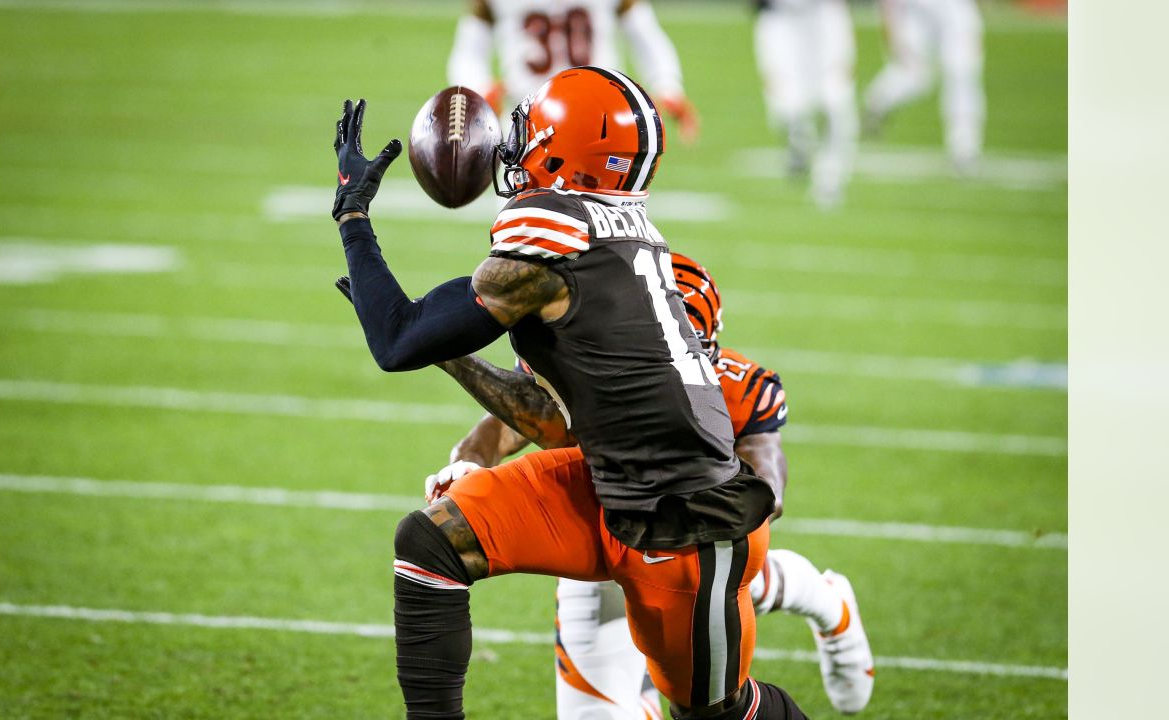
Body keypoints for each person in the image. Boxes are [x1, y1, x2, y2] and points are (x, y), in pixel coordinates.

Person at [331, 67, 806, 718]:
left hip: (687, 522)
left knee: (712, 712)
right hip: (610, 478)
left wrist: (352, 214)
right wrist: (454, 360)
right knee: (432, 541)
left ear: (566, 149)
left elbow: (398, 340)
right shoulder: (616, 229)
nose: (516, 141)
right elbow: (553, 423)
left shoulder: (554, 233)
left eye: (533, 128)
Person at [425, 253, 874, 718]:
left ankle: (819, 596)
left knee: (711, 664)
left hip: (685, 540)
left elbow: (768, 494)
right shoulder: (575, 362)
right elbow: (498, 429)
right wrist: (467, 465)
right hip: (595, 538)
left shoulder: (738, 387)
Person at [447, 0, 698, 142]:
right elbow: (468, 52)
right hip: (529, 118)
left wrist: (667, 85)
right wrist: (480, 89)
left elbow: (644, 34)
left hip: (600, 118)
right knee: (524, 221)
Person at [750, 0, 858, 208]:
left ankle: (830, 177)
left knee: (835, 101)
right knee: (785, 106)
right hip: (779, 17)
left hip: (826, 14)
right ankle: (799, 144)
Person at [863, 0, 985, 174]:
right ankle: (879, 99)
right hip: (916, 11)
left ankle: (964, 148)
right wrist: (891, 26)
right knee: (914, 75)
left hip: (954, 9)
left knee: (962, 72)